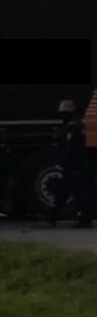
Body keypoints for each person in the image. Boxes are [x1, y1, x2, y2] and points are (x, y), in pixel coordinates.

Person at [45, 98, 93, 228]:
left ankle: (52, 217)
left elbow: (71, 148)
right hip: (75, 166)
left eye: (64, 113)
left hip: (75, 166)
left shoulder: (74, 126)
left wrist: (63, 162)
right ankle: (85, 218)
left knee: (64, 192)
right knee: (78, 194)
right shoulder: (73, 125)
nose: (62, 116)